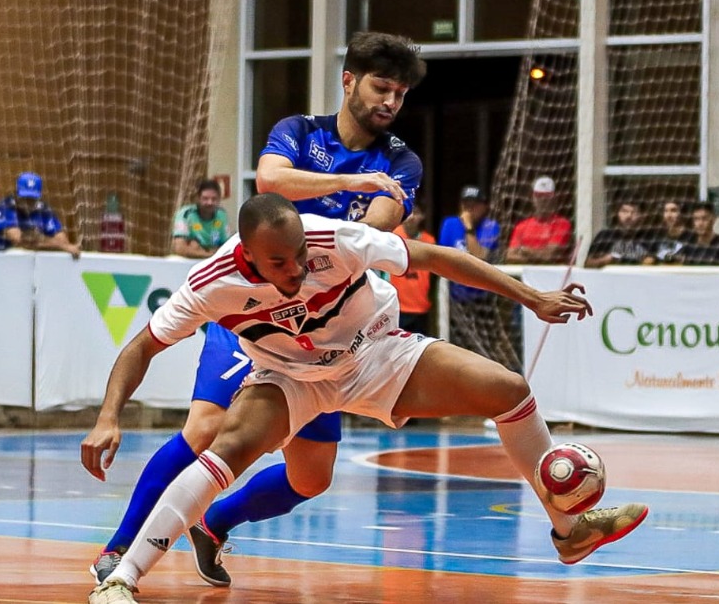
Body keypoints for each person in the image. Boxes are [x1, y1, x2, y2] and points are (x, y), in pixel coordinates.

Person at [83, 194, 649, 604]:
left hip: (375, 354)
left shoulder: (334, 240)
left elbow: (435, 259)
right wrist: (109, 417)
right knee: (225, 444)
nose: (297, 269)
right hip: (290, 377)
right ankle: (122, 578)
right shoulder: (211, 283)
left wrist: (531, 296)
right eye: (279, 263)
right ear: (249, 258)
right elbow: (141, 346)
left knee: (508, 389)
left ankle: (569, 532)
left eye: (300, 255)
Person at [86, 30, 427, 588]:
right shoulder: (298, 132)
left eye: (400, 94)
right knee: (207, 426)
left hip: (324, 328)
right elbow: (269, 181)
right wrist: (351, 181)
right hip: (256, 312)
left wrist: (345, 220)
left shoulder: (401, 161)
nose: (390, 101)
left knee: (312, 478)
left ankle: (215, 523)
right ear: (349, 82)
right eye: (381, 87)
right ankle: (118, 550)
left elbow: (378, 226)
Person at [437, 186, 516, 369]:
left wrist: (469, 229)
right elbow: (443, 255)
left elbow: (479, 256)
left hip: (482, 301)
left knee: (484, 351)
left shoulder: (490, 227)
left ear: (484, 206)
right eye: (466, 204)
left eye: (474, 205)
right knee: (455, 350)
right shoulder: (450, 224)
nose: (469, 209)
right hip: (456, 299)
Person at [0, 172, 81, 258]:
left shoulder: (43, 210)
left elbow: (62, 240)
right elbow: (19, 241)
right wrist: (59, 246)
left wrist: (58, 244)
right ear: (16, 194)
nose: (28, 202)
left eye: (32, 199)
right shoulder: (5, 207)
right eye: (25, 198)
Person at [390, 202, 435, 335]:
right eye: (408, 213)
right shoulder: (392, 236)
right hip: (397, 306)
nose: (411, 217)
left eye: (416, 213)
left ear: (422, 216)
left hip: (421, 306)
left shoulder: (429, 241)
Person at [506, 176, 572, 265]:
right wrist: (537, 256)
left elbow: (549, 256)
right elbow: (510, 256)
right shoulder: (521, 226)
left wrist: (524, 250)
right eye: (539, 195)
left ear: (554, 198)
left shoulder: (562, 224)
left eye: (547, 196)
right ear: (533, 197)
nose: (543, 199)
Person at [171, 179, 230, 258]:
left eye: (214, 199)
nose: (210, 202)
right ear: (198, 198)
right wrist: (209, 255)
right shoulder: (185, 214)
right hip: (189, 261)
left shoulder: (222, 215)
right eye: (205, 198)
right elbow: (179, 248)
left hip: (212, 260)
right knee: (193, 245)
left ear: (219, 199)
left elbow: (227, 247)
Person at [584, 199, 651, 268]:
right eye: (624, 211)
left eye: (634, 212)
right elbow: (587, 264)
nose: (629, 216)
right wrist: (605, 260)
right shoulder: (605, 236)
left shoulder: (649, 238)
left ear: (642, 216)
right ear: (617, 213)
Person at [682, 201, 719, 266]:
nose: (700, 224)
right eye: (696, 219)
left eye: (704, 219)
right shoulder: (688, 244)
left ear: (713, 220)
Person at [644, 200, 694, 265]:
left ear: (682, 214)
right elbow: (647, 260)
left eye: (673, 211)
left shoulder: (691, 237)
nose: (669, 215)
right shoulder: (656, 236)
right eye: (666, 211)